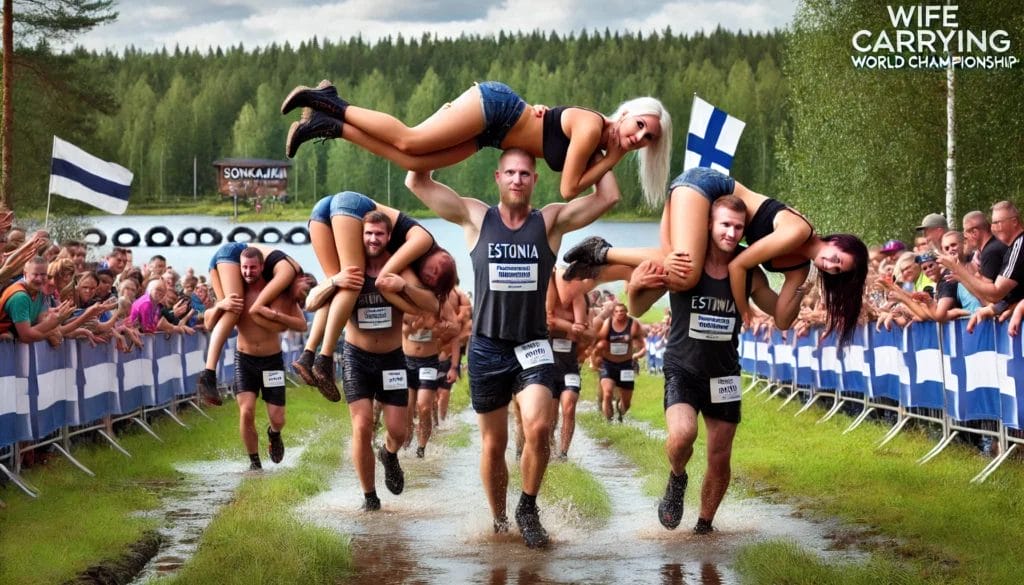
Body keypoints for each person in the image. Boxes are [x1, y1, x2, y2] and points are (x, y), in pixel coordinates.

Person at [405, 147, 621, 548]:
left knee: (538, 427)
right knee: (494, 445)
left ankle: (528, 506)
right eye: (510, 173)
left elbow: (608, 196)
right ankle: (500, 520)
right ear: (498, 177)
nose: (517, 179)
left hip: (533, 346)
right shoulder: (476, 217)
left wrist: (594, 146)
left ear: (535, 180)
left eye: (525, 173)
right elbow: (416, 180)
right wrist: (453, 138)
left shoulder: (549, 221)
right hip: (487, 348)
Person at [627, 195, 801, 535]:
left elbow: (781, 317)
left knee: (720, 456)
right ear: (708, 223)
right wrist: (635, 285)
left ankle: (704, 526)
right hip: (683, 368)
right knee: (682, 436)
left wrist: (797, 284)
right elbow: (636, 308)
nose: (731, 233)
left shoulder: (748, 269)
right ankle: (677, 477)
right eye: (725, 225)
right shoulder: (686, 261)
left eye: (738, 227)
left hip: (724, 374)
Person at [566, 166, 868, 344]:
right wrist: (744, 311)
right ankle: (603, 252)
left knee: (674, 266)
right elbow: (739, 265)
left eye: (836, 271)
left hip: (703, 201)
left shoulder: (800, 269)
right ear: (836, 241)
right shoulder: (798, 231)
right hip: (705, 187)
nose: (830, 265)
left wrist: (804, 287)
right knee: (687, 274)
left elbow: (782, 319)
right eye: (837, 258)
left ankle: (606, 267)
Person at [282, 80, 671, 204]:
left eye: (648, 139)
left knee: (414, 163)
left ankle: (326, 125)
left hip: (492, 135)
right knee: (410, 140)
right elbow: (569, 189)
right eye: (640, 125)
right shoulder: (590, 128)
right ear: (626, 113)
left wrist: (608, 156)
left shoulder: (598, 143)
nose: (639, 137)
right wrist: (612, 158)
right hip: (497, 108)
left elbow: (601, 193)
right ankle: (329, 100)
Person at [291, 191, 457, 402]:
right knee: (354, 280)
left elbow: (432, 304)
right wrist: (409, 300)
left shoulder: (419, 264)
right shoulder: (423, 241)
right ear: (442, 254)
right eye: (434, 271)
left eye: (433, 281)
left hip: (323, 212)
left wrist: (415, 300)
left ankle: (307, 355)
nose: (429, 276)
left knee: (338, 286)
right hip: (352, 206)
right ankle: (324, 358)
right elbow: (382, 280)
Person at [338, 210, 438, 511]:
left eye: (379, 234)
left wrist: (403, 287)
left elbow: (432, 304)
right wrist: (334, 281)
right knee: (362, 425)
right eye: (368, 233)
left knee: (398, 430)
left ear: (388, 237)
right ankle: (370, 496)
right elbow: (315, 302)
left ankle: (389, 454)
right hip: (357, 357)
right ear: (361, 235)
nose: (373, 239)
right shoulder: (351, 266)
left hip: (392, 359)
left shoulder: (399, 267)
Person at [205, 247, 309, 470]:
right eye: (244, 267)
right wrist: (220, 305)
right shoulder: (236, 292)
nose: (248, 272)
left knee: (278, 418)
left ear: (262, 267)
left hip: (272, 362)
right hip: (245, 360)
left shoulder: (276, 292)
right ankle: (254, 463)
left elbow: (302, 324)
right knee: (246, 410)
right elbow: (208, 322)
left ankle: (274, 434)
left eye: (253, 267)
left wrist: (276, 315)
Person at [197, 242, 310, 406]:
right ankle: (208, 374)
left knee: (227, 310)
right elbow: (256, 309)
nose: (300, 298)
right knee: (234, 307)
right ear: (301, 280)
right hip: (234, 253)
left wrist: (278, 318)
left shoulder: (286, 287)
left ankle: (208, 374)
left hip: (271, 359)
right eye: (303, 292)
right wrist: (275, 317)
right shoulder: (288, 273)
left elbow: (209, 326)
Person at [0, 256, 74, 342]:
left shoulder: (40, 292)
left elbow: (40, 325)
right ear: (25, 274)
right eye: (35, 274)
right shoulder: (20, 297)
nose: (39, 279)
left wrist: (53, 323)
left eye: (43, 275)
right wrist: (51, 325)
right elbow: (26, 336)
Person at [595, 303, 644, 422]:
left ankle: (620, 414)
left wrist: (637, 354)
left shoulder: (633, 324)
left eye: (622, 311)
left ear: (626, 312)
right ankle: (609, 421)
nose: (619, 314)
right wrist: (596, 358)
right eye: (616, 311)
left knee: (626, 403)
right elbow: (598, 341)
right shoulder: (607, 324)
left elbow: (642, 345)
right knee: (607, 393)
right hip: (608, 364)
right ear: (613, 313)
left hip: (626, 365)